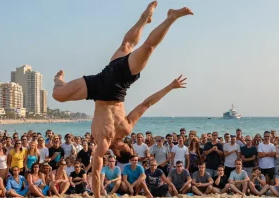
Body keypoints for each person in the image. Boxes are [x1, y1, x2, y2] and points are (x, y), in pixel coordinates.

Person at [51, 0, 193, 196]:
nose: (130, 144)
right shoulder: (126, 127)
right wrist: (170, 86)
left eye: (128, 147)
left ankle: (58, 80)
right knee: (140, 47)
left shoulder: (104, 141)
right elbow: (146, 104)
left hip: (99, 89)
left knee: (57, 95)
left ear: (117, 152)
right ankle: (160, 18)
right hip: (118, 86)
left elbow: (96, 170)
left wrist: (98, 196)